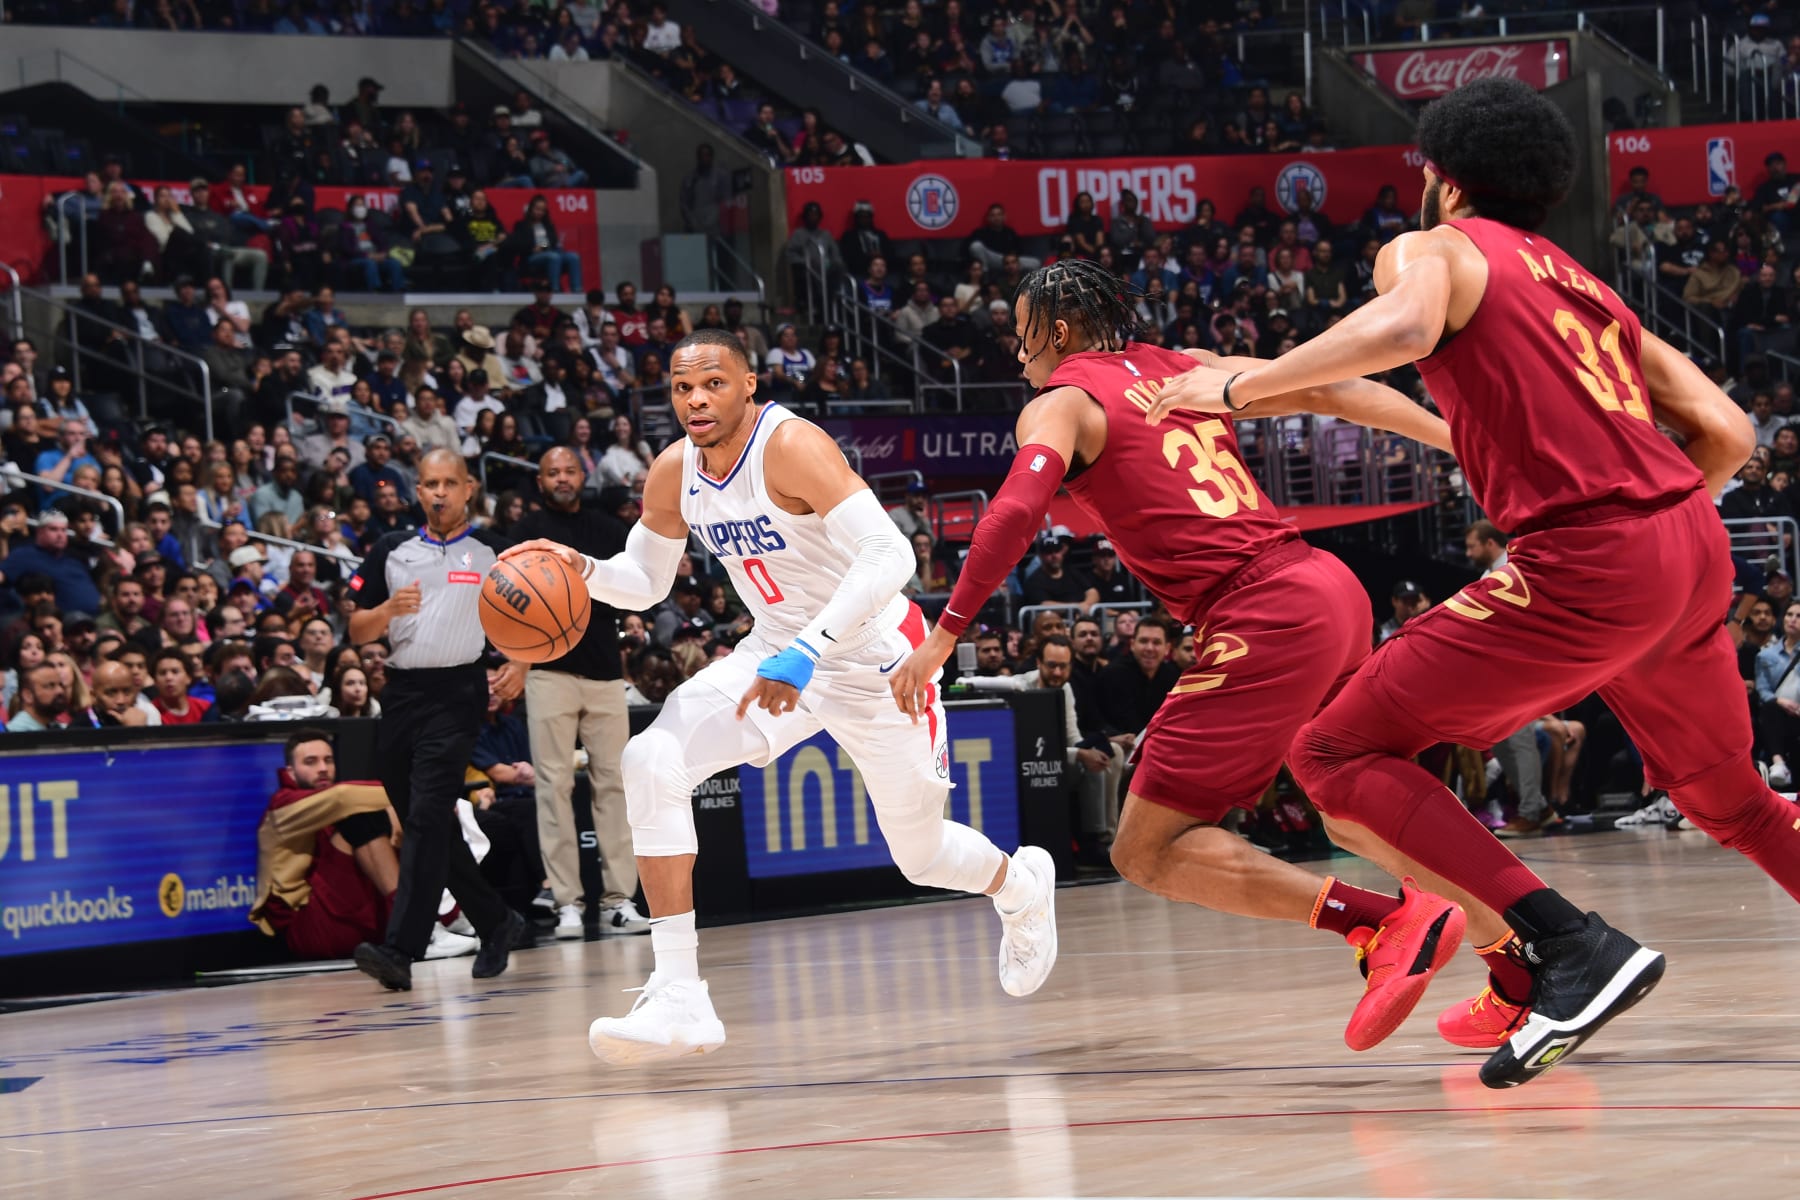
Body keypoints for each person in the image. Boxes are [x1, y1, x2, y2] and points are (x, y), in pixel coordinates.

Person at [1147, 78, 1786, 1085]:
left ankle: (1571, 950)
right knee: (1737, 804)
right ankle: (1521, 973)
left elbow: (1400, 333)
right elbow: (1729, 432)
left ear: (1442, 181)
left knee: (1335, 751)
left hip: (1592, 555)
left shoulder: (1438, 250)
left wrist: (1236, 387)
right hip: (1691, 540)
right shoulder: (1587, 285)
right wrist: (1652, 533)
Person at [888, 256, 1487, 1068]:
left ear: (1058, 331)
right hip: (1330, 586)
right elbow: (1336, 390)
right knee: (1347, 795)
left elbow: (1016, 511)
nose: (1014, 348)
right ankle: (1519, 946)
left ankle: (1377, 922)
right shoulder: (1188, 367)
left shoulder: (1062, 400)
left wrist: (944, 635)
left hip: (1260, 611)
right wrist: (1462, 437)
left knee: (1146, 849)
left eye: (1021, 330)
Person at [503, 329, 1059, 1065]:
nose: (695, 399)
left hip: (873, 659)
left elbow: (891, 555)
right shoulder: (674, 472)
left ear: (749, 386)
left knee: (920, 857)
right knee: (651, 758)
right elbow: (645, 580)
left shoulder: (791, 447)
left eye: (713, 384)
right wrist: (581, 567)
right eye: (681, 388)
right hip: (775, 655)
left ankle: (1019, 886)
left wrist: (810, 648)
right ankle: (680, 997)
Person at [347, 448, 533, 991]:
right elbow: (356, 629)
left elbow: (537, 610)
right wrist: (385, 613)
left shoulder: (494, 550)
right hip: (401, 692)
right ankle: (498, 921)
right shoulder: (390, 549)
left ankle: (401, 949)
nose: (439, 492)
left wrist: (520, 663)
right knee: (429, 826)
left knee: (427, 817)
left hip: (459, 691)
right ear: (418, 491)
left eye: (450, 482)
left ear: (469, 488)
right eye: (430, 483)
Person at [505, 447, 646, 940]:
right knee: (553, 787)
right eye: (552, 472)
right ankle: (566, 901)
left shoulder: (609, 529)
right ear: (540, 481)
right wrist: (517, 662)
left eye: (569, 470)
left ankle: (619, 900)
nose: (562, 478)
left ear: (581, 475)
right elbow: (509, 600)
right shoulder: (525, 534)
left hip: (606, 672)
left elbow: (631, 584)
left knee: (615, 786)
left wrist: (630, 614)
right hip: (548, 673)